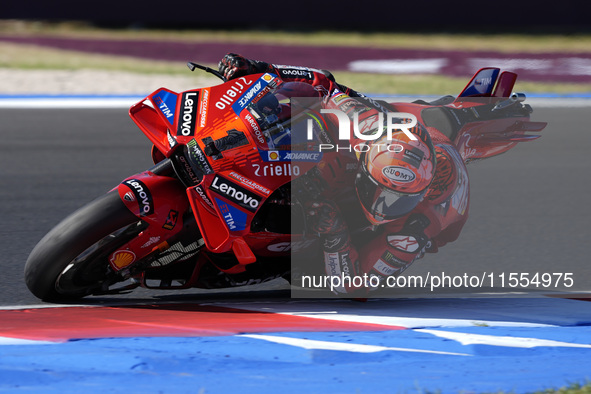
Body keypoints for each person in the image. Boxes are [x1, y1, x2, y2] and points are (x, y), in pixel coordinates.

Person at [218, 53, 470, 296]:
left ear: (421, 194)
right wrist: (257, 69)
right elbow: (323, 83)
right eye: (378, 192)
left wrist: (335, 235)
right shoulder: (365, 126)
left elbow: (354, 284)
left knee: (310, 278)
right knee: (293, 116)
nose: (382, 207)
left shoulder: (415, 230)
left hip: (382, 231)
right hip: (410, 134)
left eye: (398, 200)